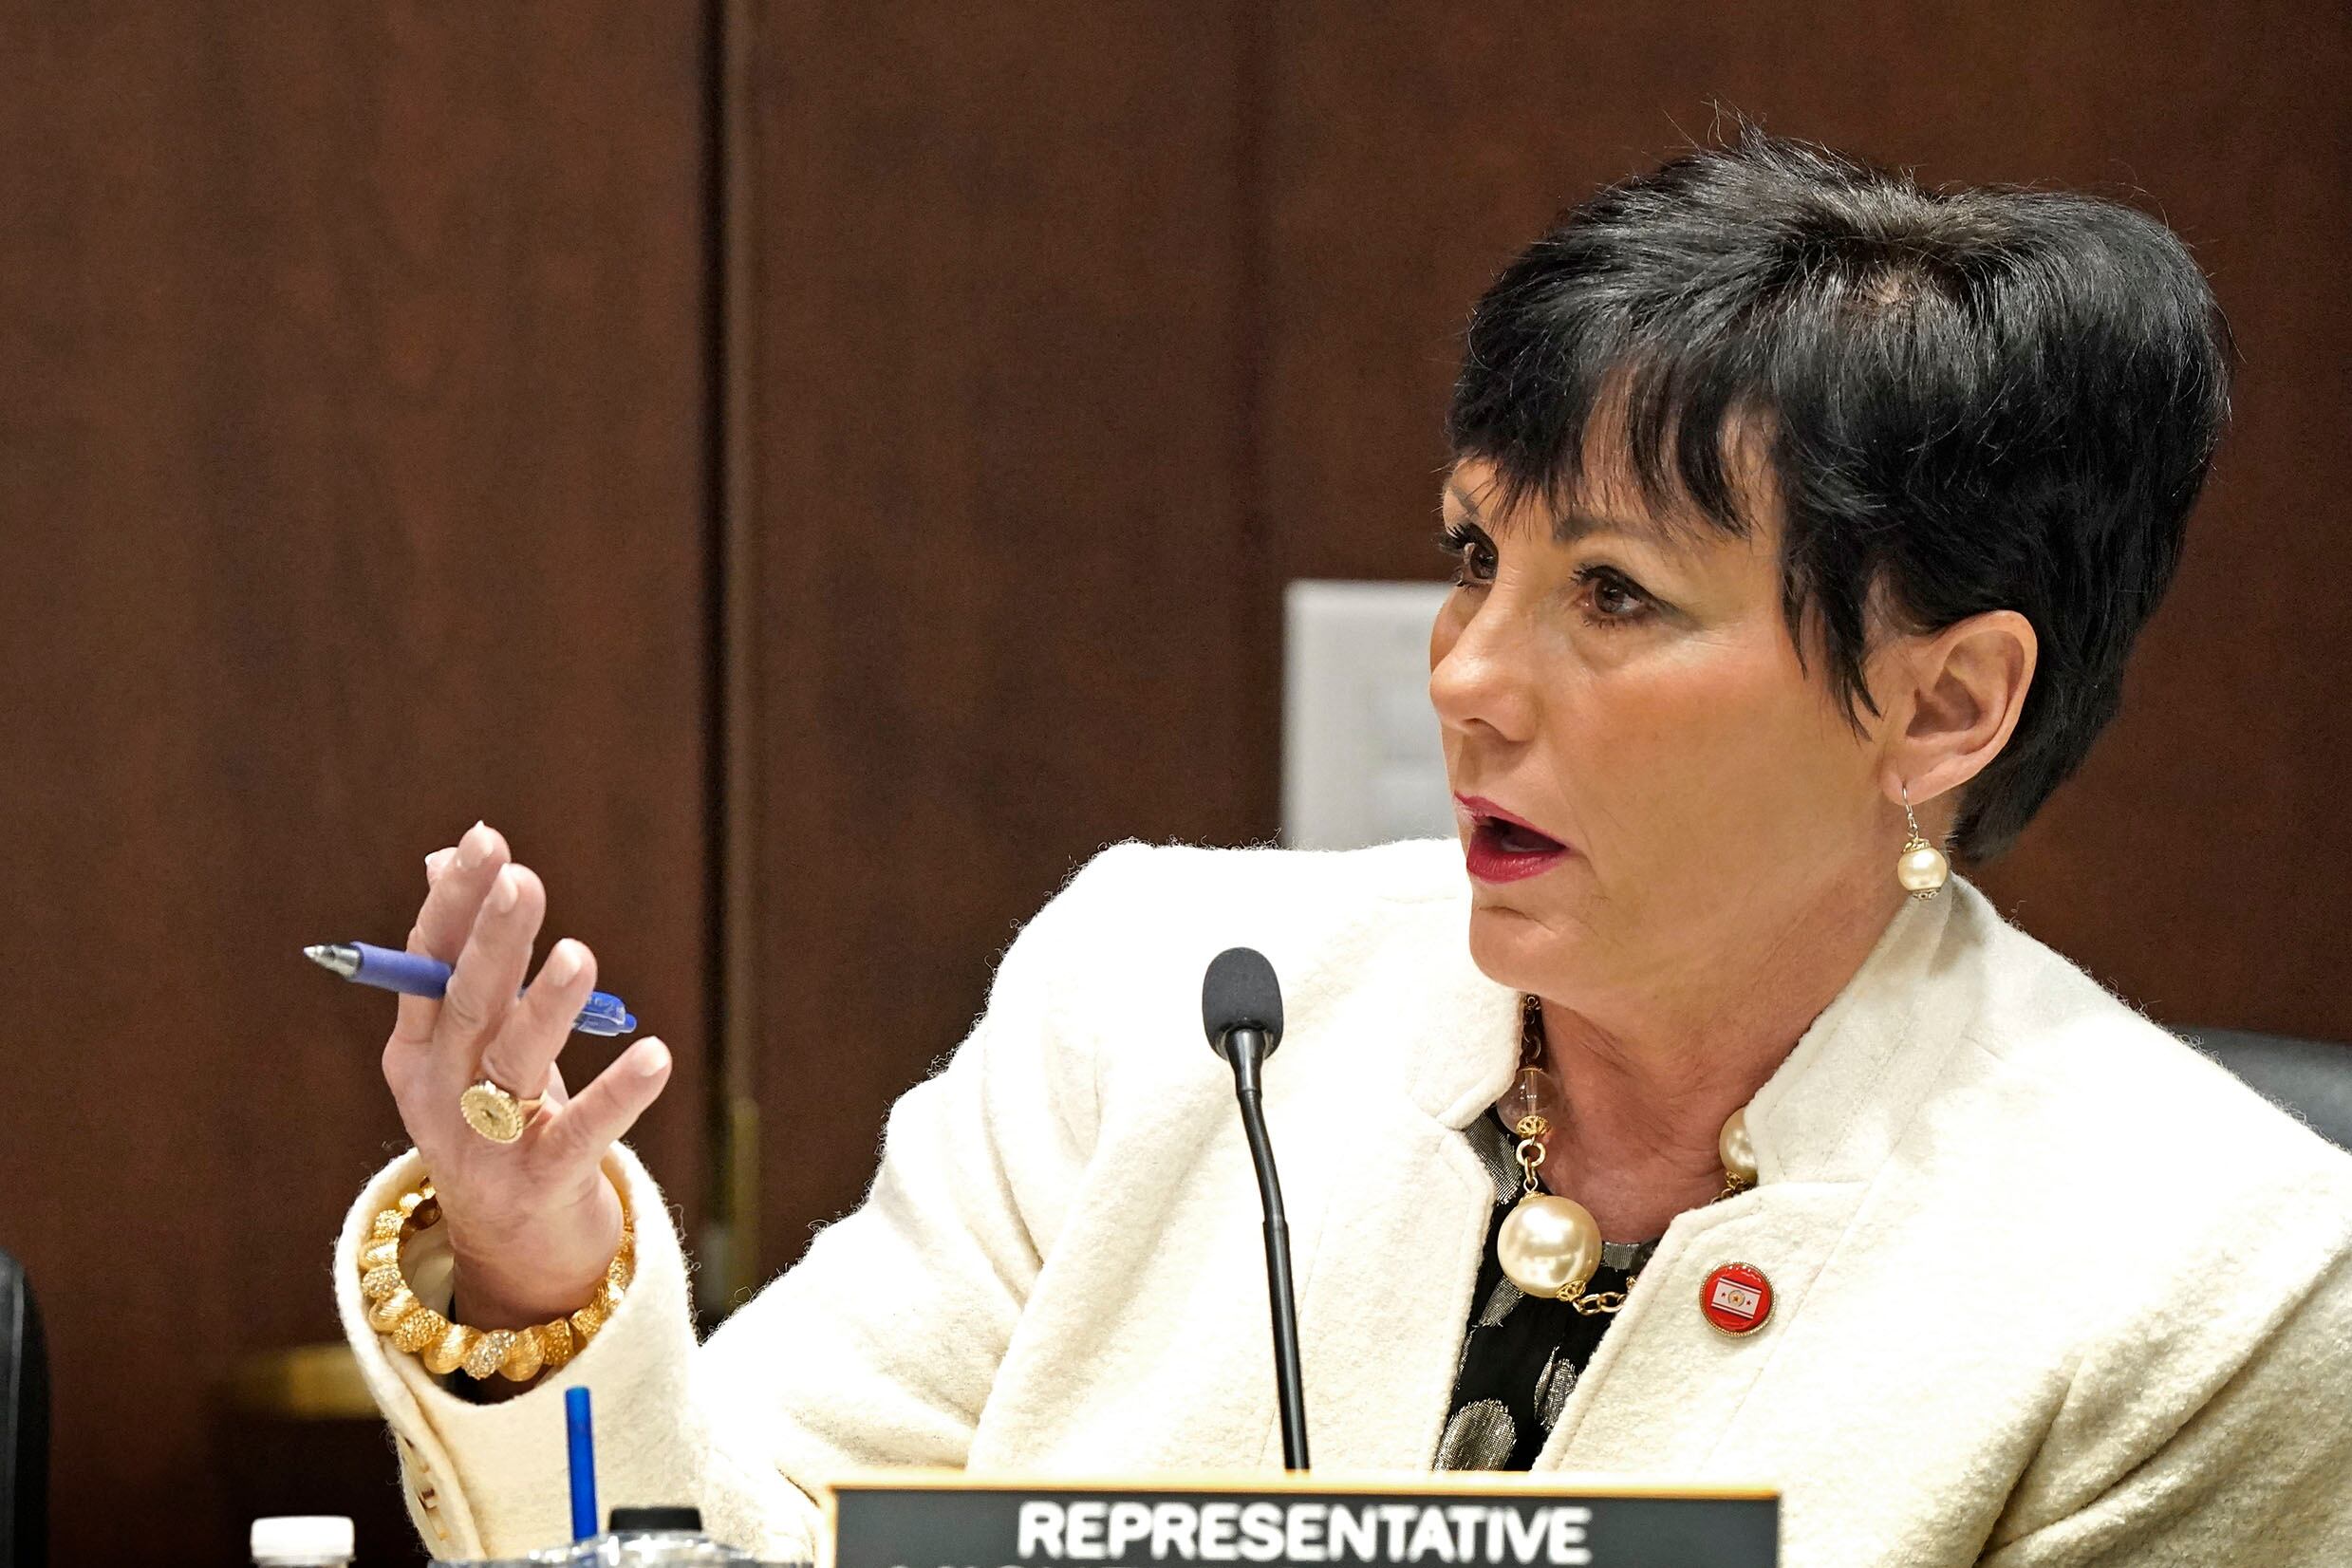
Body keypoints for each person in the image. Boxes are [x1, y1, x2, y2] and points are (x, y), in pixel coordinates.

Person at [334, 130, 2352, 1566]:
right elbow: (741, 1539)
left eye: (1617, 596)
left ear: (1940, 707)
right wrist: (535, 1278)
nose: (1468, 671)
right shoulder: (1160, 999)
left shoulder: (2216, 1282)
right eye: (1477, 552)